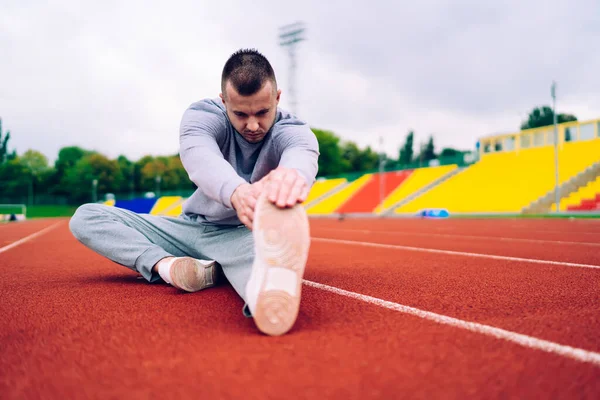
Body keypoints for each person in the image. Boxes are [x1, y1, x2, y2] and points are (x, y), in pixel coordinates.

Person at [69, 48, 320, 336]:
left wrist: (291, 176)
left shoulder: (292, 130)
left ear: (277, 98)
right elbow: (199, 157)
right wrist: (237, 191)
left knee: (265, 273)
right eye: (240, 114)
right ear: (223, 100)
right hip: (189, 231)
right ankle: (169, 267)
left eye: (263, 112)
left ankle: (258, 290)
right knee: (86, 217)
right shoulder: (201, 115)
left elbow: (302, 154)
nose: (252, 125)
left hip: (245, 235)